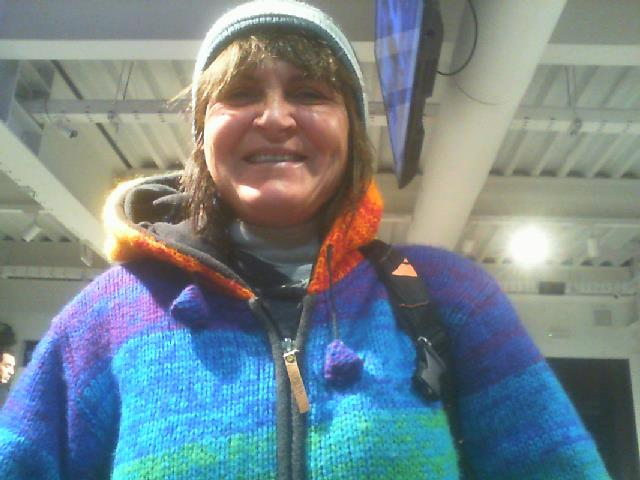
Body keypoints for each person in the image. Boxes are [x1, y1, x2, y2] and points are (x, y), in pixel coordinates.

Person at [0, 1, 610, 479]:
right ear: (202, 138)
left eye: (310, 93)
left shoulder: (448, 294)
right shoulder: (108, 315)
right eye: (241, 94)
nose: (274, 117)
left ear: (352, 135)